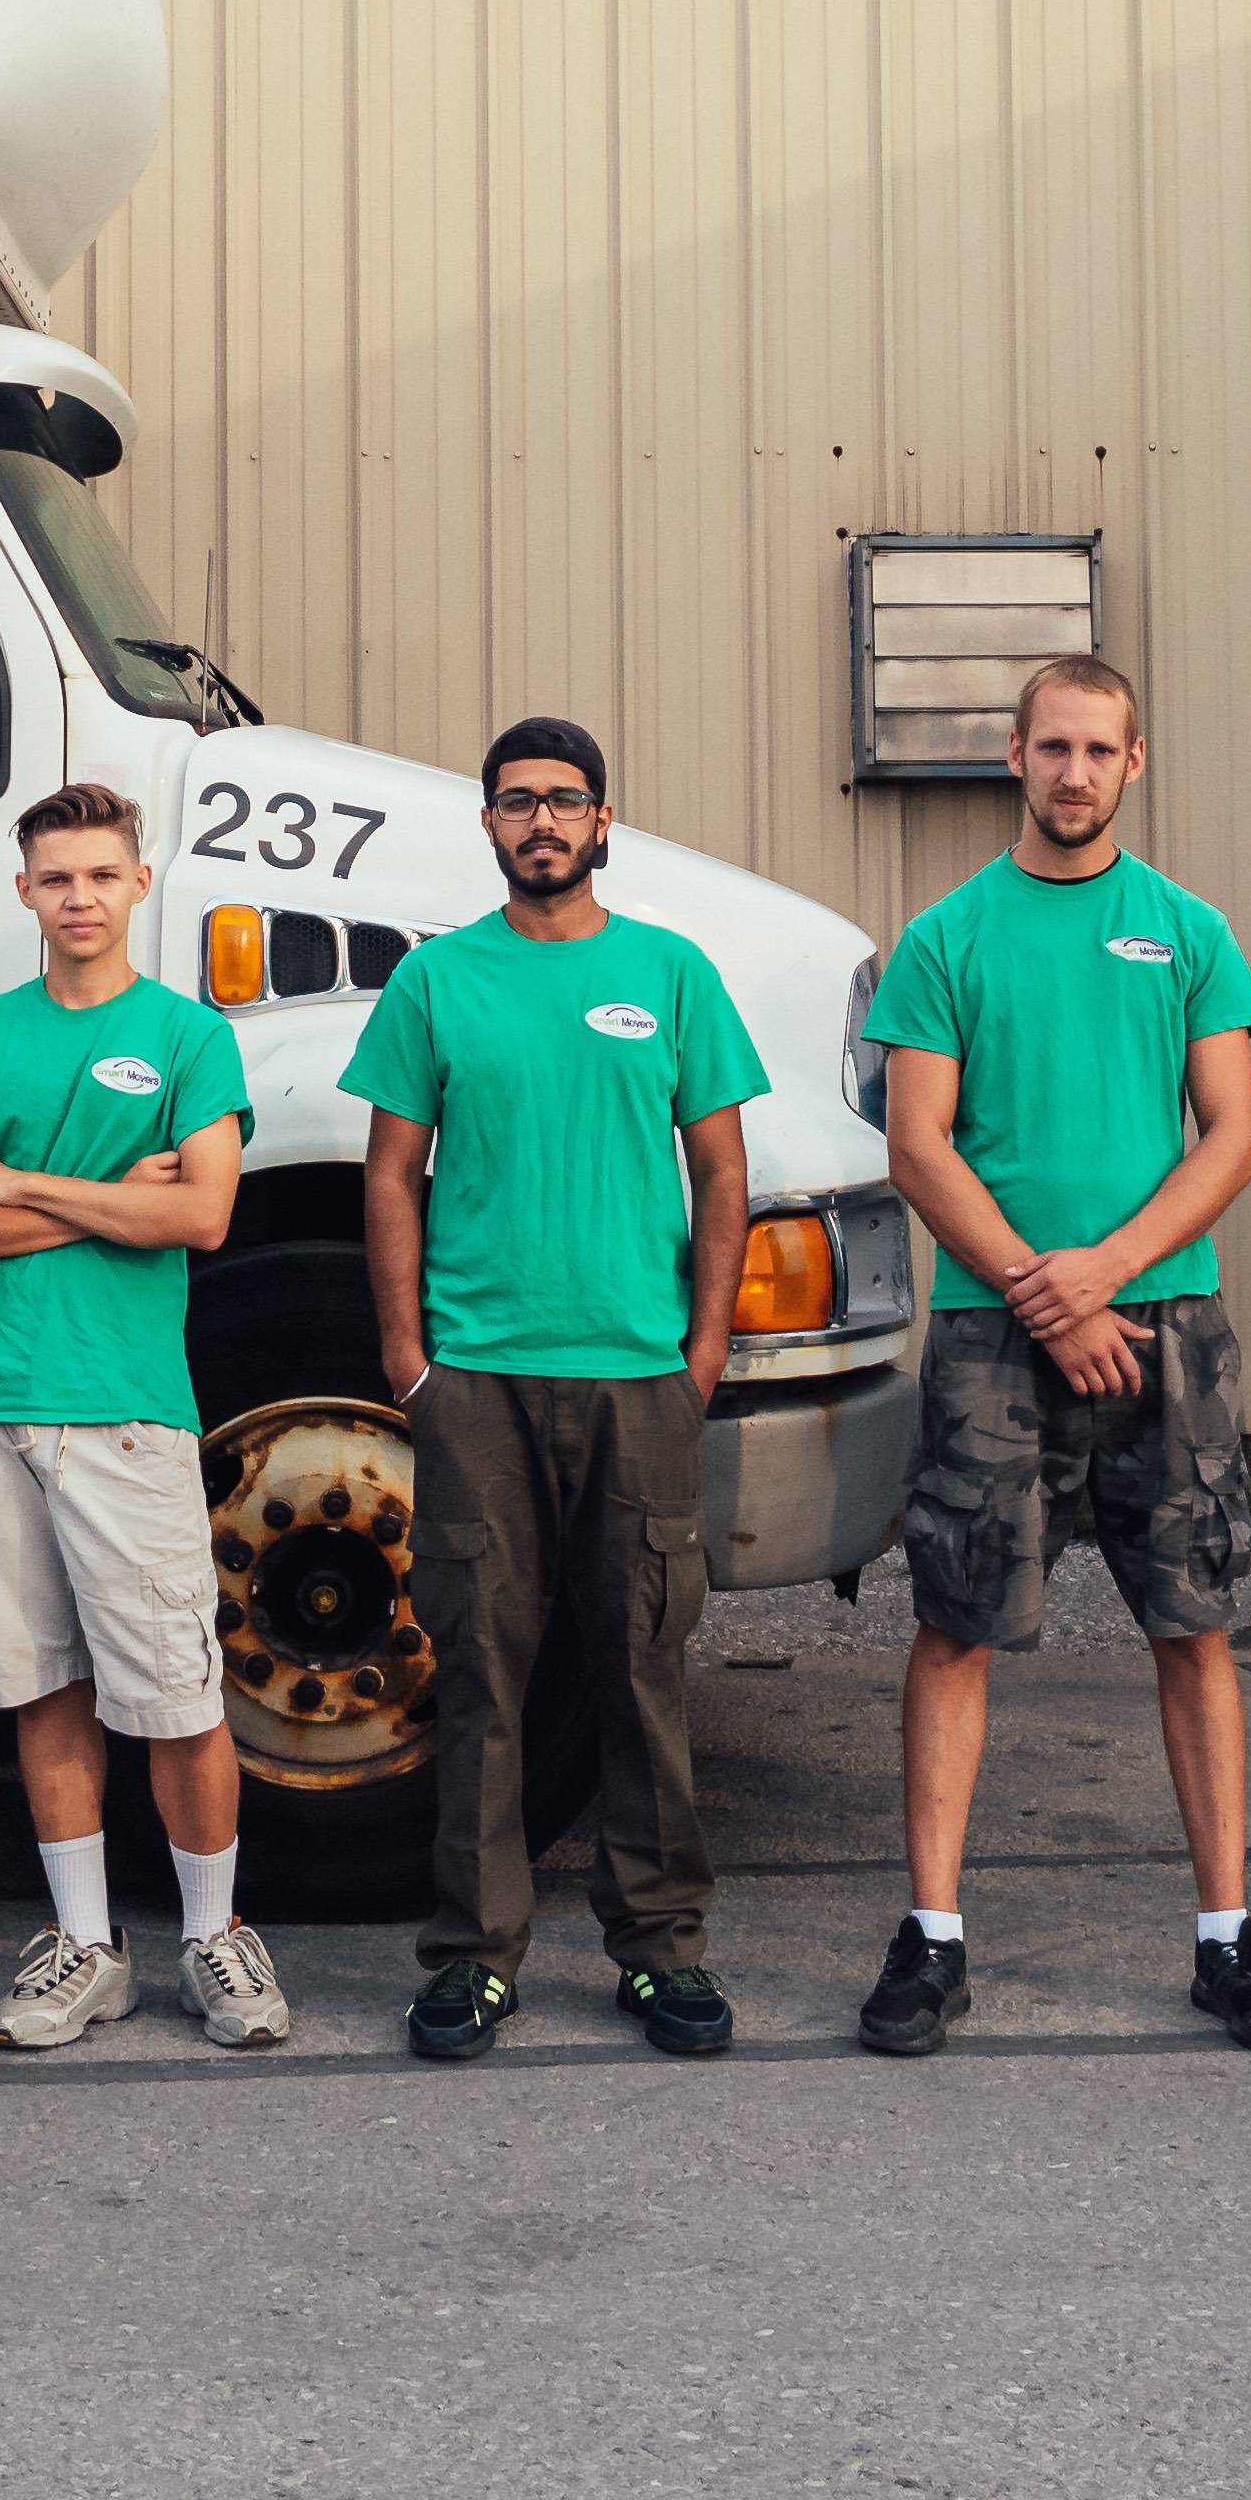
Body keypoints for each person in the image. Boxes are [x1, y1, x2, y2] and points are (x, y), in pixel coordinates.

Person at [858, 655, 1251, 2059]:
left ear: (1135, 762)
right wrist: (1042, 1294)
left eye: (1098, 750)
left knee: (1194, 1624)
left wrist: (1103, 1275)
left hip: (1166, 1329)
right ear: (1015, 756)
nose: (1074, 772)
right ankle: (932, 1940)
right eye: (1052, 747)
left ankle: (1227, 1938)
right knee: (957, 1622)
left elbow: (1229, 1137)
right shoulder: (947, 939)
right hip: (995, 1333)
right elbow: (917, 1144)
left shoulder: (1187, 933)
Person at [350, 714, 768, 2063]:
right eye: (518, 799)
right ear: (486, 822)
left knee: (643, 1666)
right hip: (476, 1380)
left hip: (639, 1379)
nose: (542, 820)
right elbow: (389, 1175)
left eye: (565, 800)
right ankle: (475, 1958)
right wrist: (408, 1358)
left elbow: (722, 1171)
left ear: (603, 823)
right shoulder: (435, 982)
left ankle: (662, 1951)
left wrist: (703, 1353)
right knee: (481, 1672)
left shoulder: (671, 974)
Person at [0, 782, 288, 2054]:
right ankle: (86, 1944)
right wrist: (101, 1196)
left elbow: (201, 1214)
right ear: (25, 890)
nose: (79, 898)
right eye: (57, 877)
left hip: (124, 1406)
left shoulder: (188, 1038)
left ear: (139, 884)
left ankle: (214, 1937)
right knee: (38, 1685)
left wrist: (13, 1181)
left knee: (175, 1693)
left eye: (101, 876)